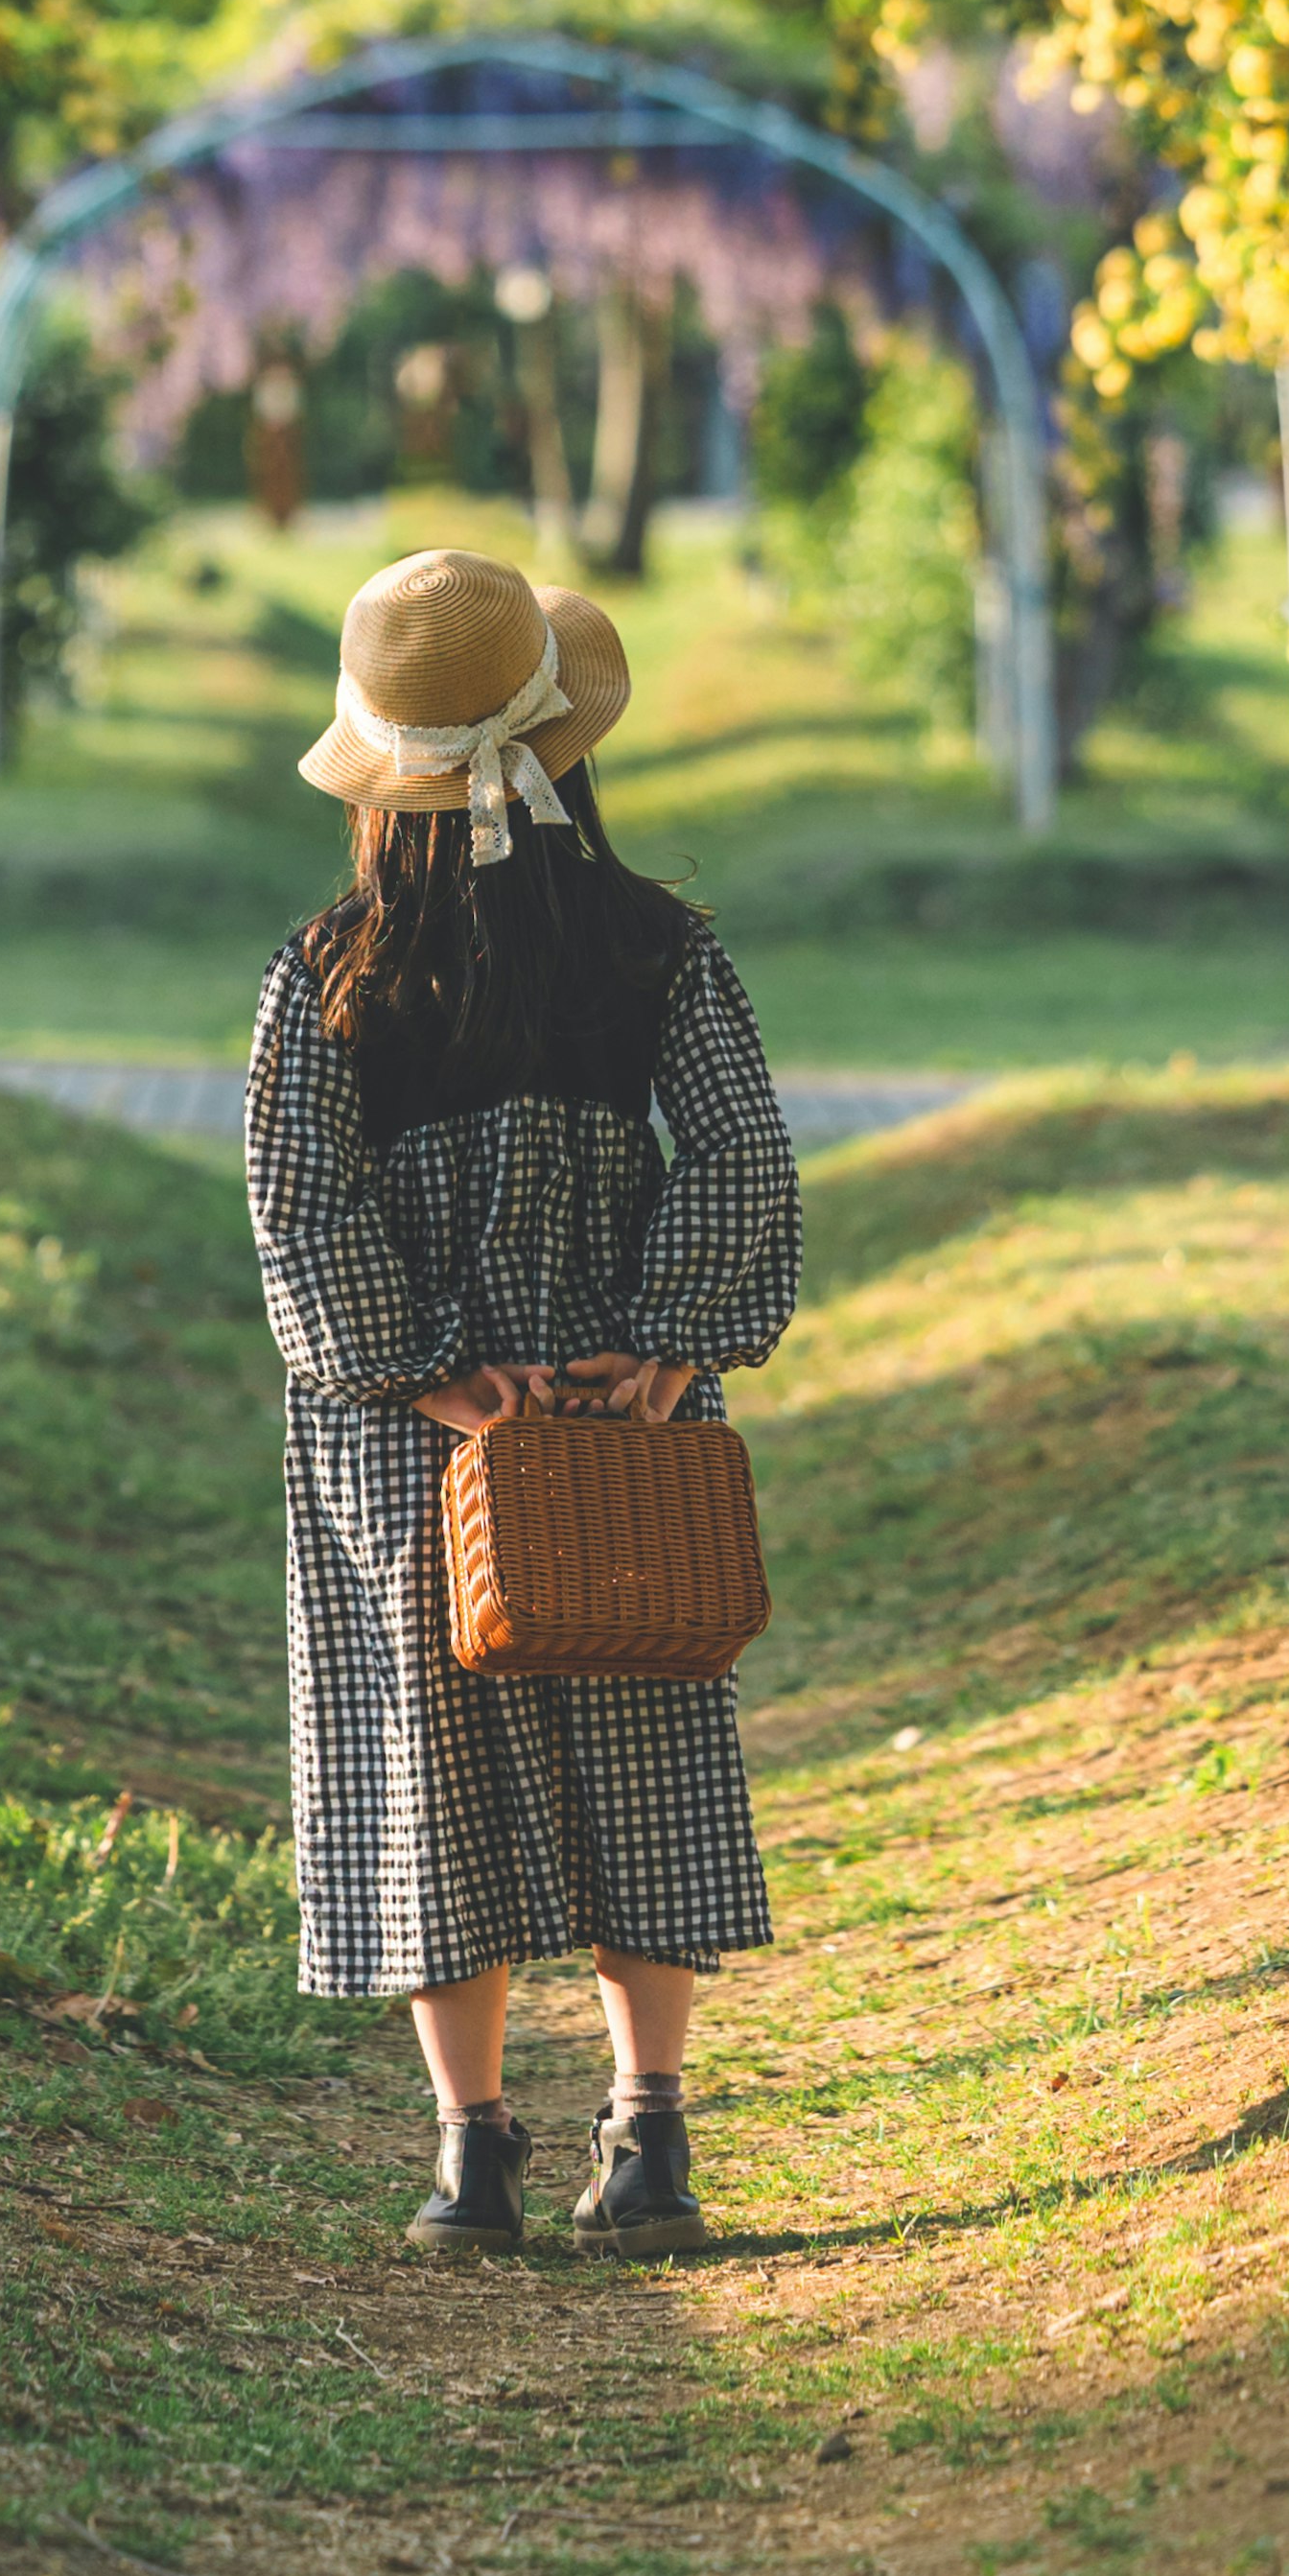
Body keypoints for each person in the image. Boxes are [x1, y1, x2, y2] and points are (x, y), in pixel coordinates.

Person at [244, 545, 802, 2260]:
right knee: (640, 1729)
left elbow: (300, 1202)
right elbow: (740, 1153)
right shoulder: (658, 950)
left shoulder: (329, 970)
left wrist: (420, 1371)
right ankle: (646, 2137)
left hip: (415, 1439)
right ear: (568, 750)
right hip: (613, 1426)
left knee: (425, 1764)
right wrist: (663, 1341)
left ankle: (472, 2150)